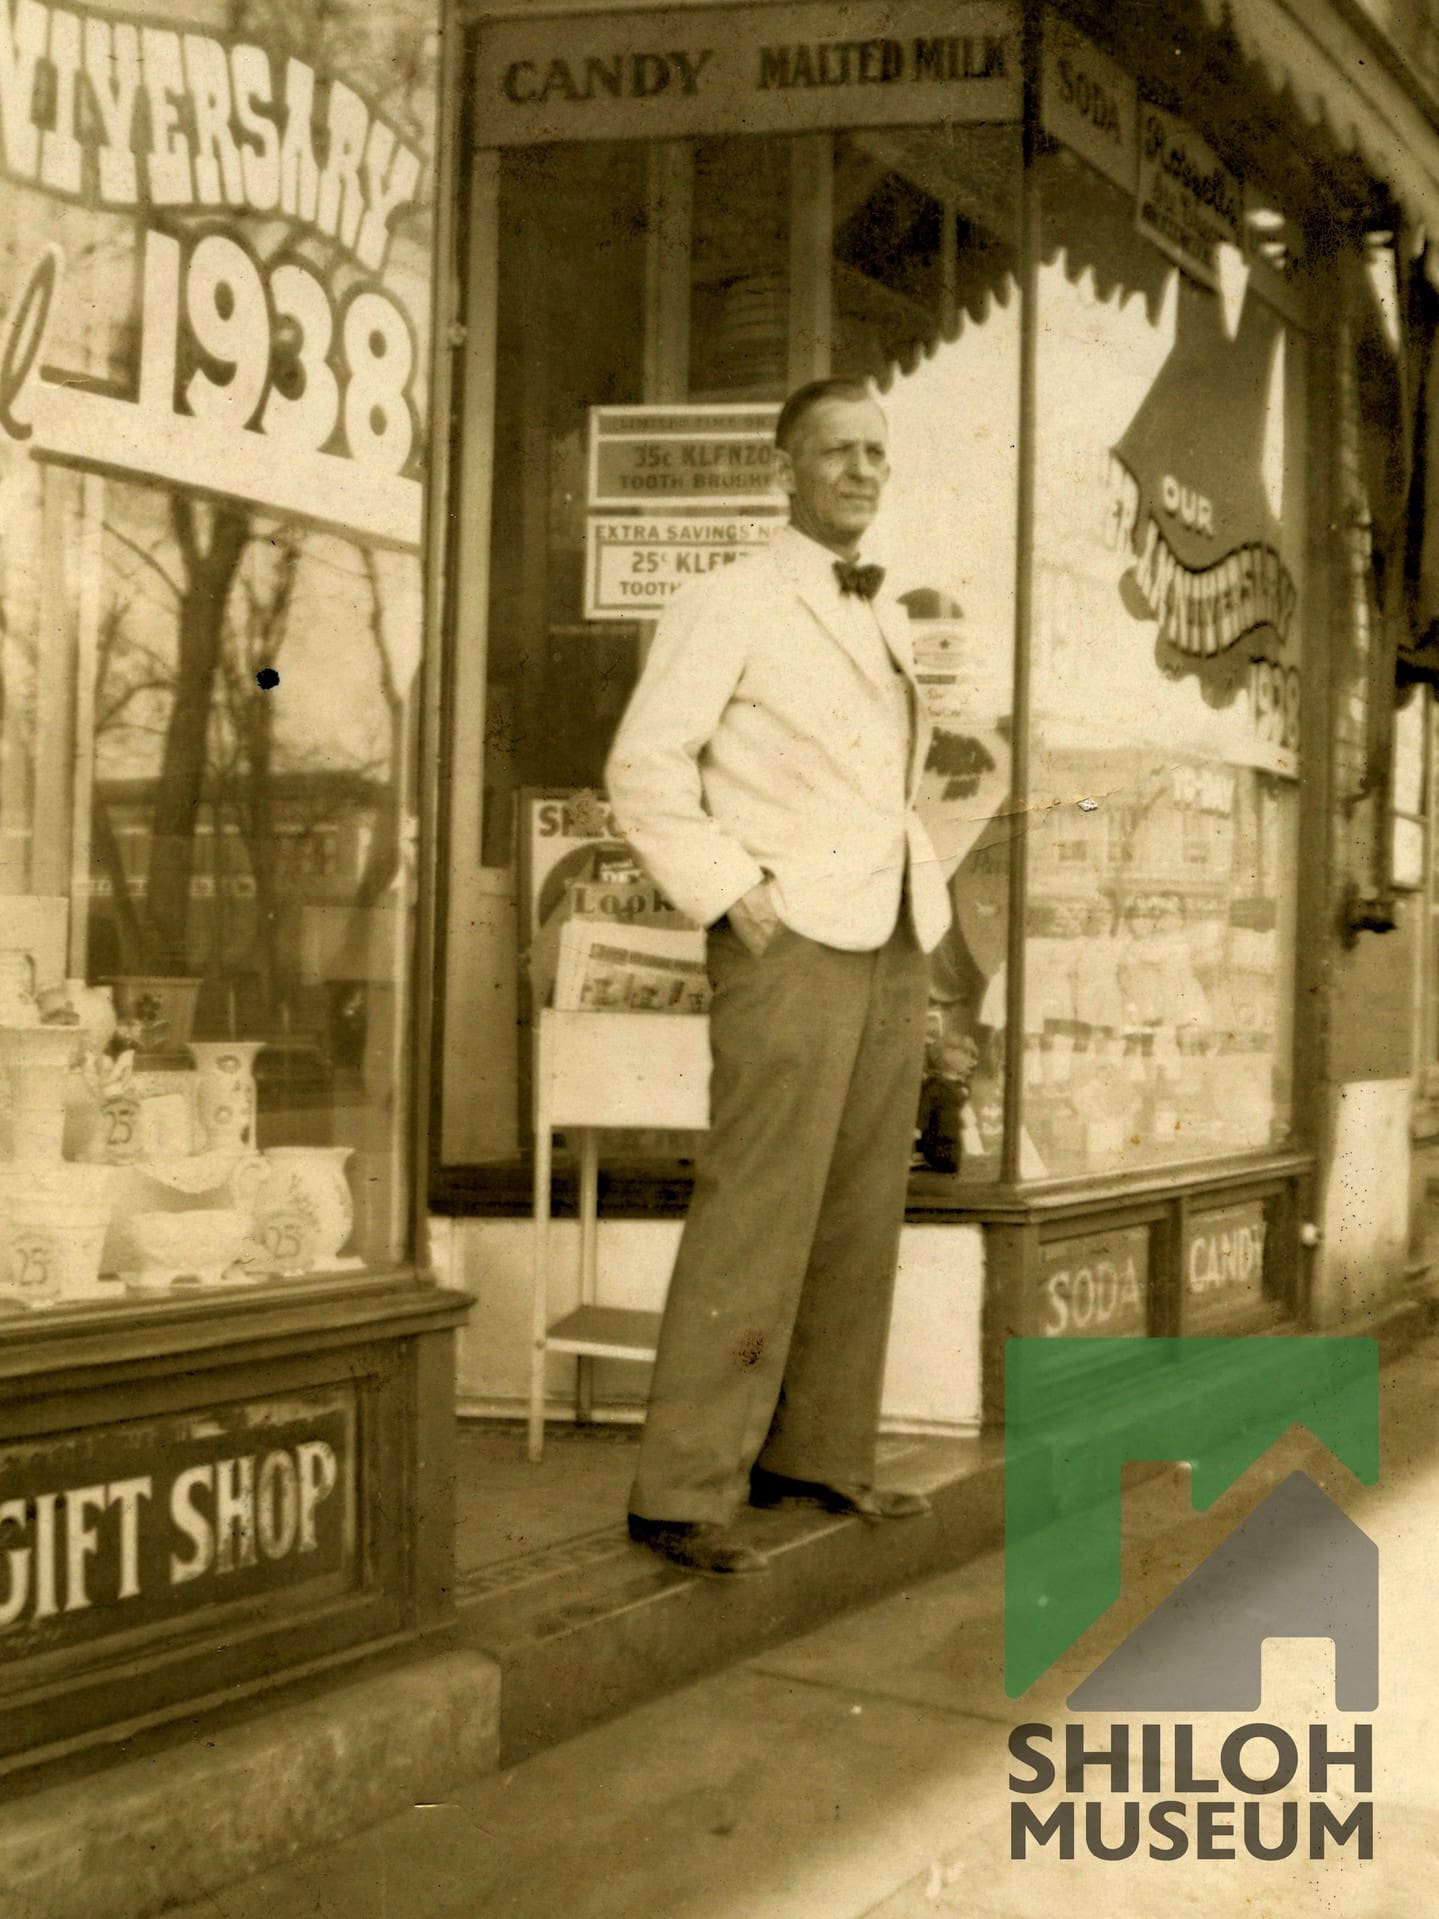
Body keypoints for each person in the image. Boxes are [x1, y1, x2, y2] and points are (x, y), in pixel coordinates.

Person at [605, 376, 952, 1576]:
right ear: (784, 469)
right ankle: (680, 1487)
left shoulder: (882, 608)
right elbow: (643, 766)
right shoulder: (726, 598)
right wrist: (730, 891)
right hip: (789, 932)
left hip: (888, 929)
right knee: (757, 1207)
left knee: (857, 1205)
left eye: (874, 452)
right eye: (835, 451)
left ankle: (812, 1453)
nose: (860, 470)